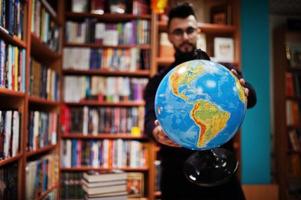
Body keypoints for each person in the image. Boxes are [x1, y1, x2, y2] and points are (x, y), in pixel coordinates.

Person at [144, 2, 257, 200]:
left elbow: (252, 97)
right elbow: (149, 120)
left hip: (220, 173)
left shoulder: (221, 72)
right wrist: (157, 133)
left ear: (198, 31)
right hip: (177, 177)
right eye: (178, 32)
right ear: (169, 36)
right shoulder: (158, 82)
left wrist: (243, 89)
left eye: (189, 30)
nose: (185, 37)